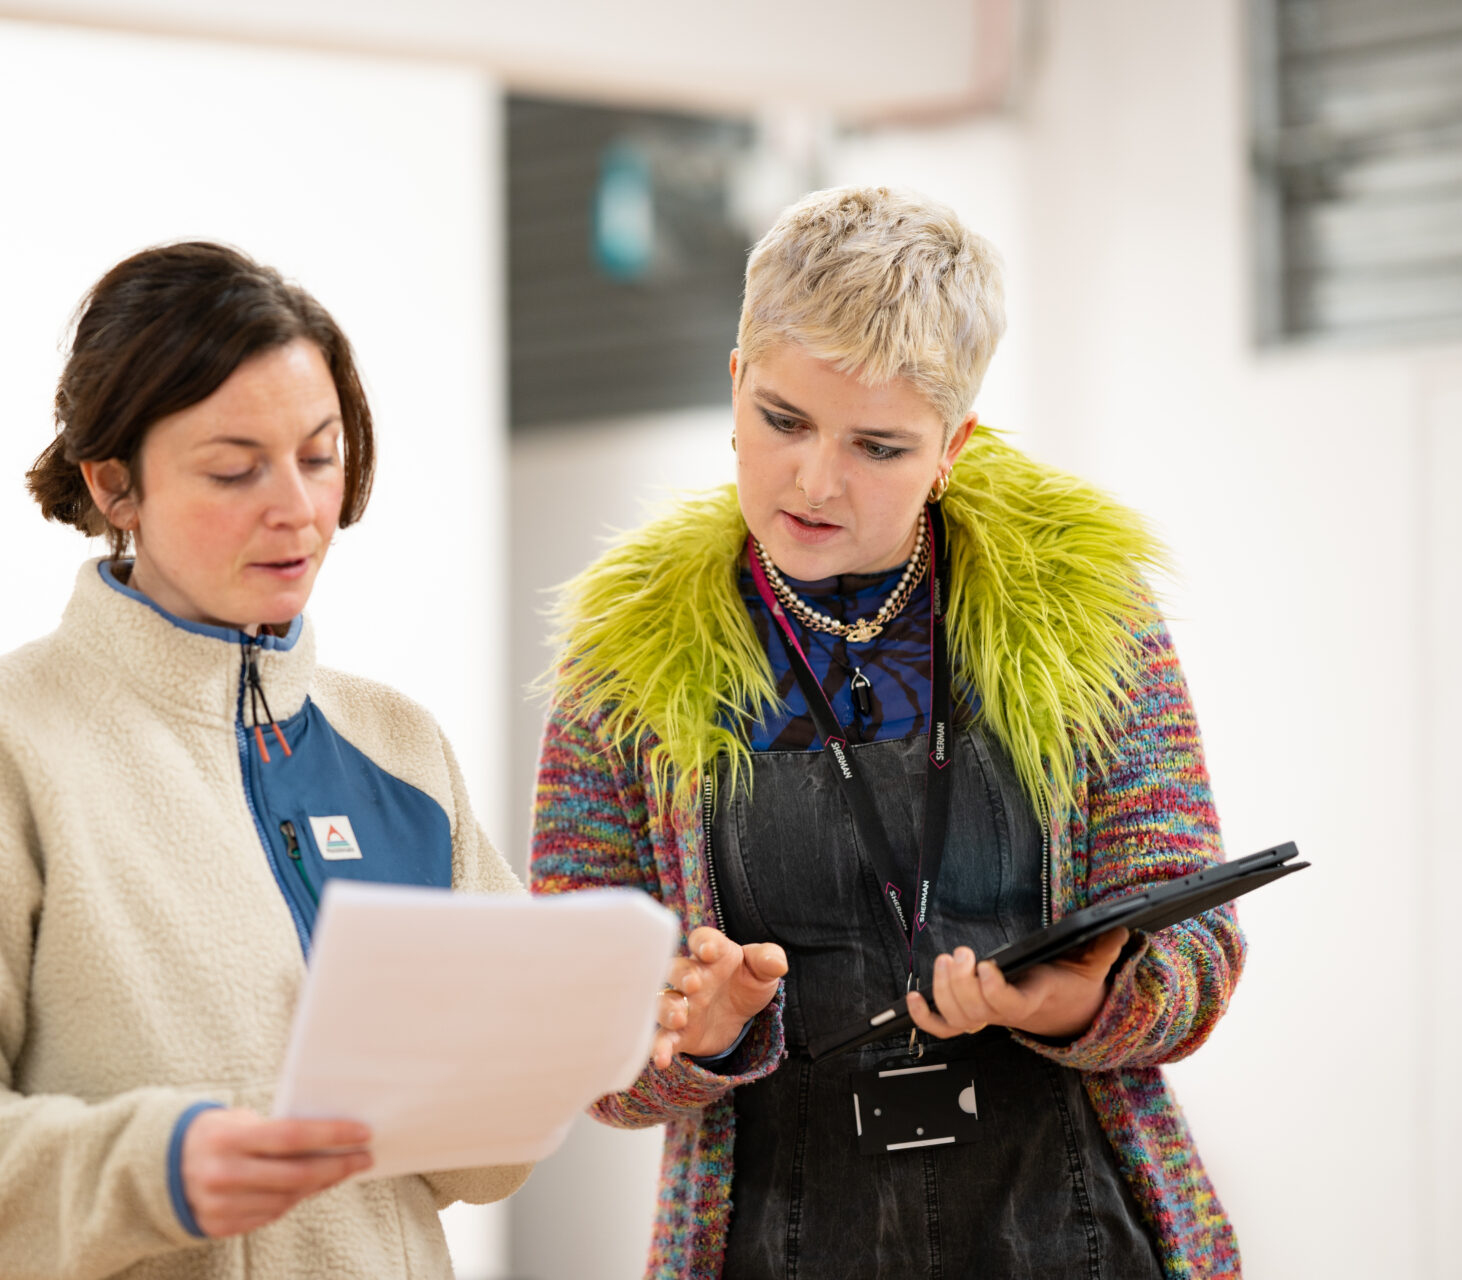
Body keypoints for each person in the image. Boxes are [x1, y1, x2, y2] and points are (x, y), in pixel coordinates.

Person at [530, 187, 1244, 1279]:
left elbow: (1199, 945)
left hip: (1079, 1236)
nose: (816, 480)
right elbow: (584, 1044)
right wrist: (699, 1030)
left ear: (952, 444)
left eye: (878, 445)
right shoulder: (625, 666)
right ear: (734, 383)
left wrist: (1093, 998)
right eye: (782, 420)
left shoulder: (1089, 615)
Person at [0, 242, 528, 1280]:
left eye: (319, 457)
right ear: (114, 484)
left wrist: (633, 1027)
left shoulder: (399, 743)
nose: (297, 509)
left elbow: (484, 1159)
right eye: (235, 469)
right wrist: (156, 1168)